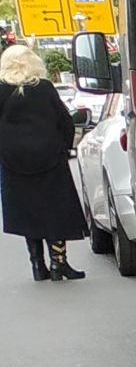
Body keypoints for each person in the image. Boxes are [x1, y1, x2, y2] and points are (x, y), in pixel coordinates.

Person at [0, 42, 87, 281]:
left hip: (12, 162)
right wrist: (65, 147)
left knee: (28, 212)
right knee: (54, 210)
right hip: (49, 158)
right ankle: (59, 263)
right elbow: (65, 121)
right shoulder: (45, 88)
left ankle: (37, 265)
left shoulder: (1, 91)